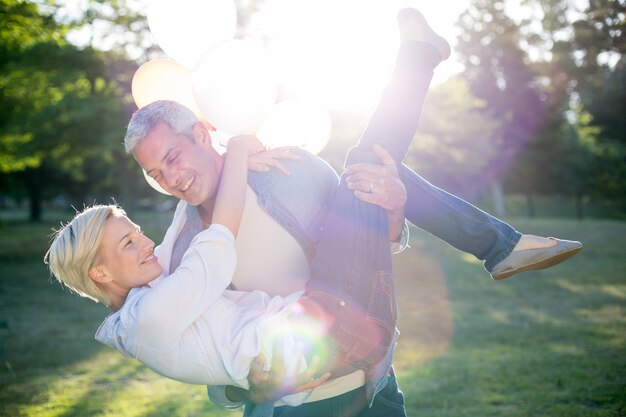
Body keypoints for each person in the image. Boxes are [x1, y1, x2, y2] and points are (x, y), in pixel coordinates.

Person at [61, 8, 581, 417]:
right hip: (295, 404)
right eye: (154, 174)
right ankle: (495, 235)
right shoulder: (182, 244)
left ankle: (495, 237)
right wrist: (243, 386)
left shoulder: (288, 171)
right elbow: (195, 344)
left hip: (373, 379)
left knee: (370, 169)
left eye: (172, 158)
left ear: (202, 132)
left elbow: (368, 244)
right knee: (368, 162)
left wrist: (395, 210)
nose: (169, 179)